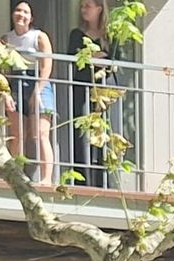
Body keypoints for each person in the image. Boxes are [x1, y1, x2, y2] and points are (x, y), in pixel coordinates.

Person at [3, 1, 57, 187]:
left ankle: (46, 178)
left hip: (38, 82)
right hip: (16, 83)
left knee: (41, 133)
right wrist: (5, 92)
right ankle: (15, 176)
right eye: (18, 10)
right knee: (17, 134)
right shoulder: (6, 39)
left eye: (25, 12)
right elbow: (3, 70)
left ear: (31, 18)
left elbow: (47, 65)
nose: (21, 15)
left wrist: (38, 90)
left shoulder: (39, 37)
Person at [66, 0, 112, 188]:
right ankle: (82, 180)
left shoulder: (109, 35)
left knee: (103, 133)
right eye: (82, 6)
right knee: (82, 132)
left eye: (88, 6)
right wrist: (94, 57)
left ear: (99, 9)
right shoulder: (77, 34)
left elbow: (115, 62)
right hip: (82, 87)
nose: (84, 10)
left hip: (104, 91)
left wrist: (102, 59)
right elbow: (73, 58)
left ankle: (104, 181)